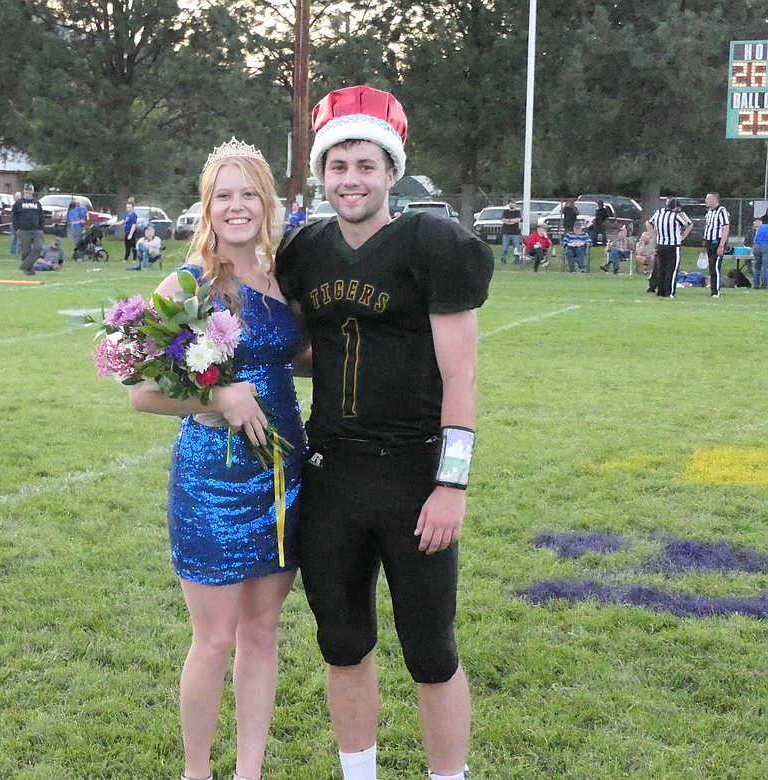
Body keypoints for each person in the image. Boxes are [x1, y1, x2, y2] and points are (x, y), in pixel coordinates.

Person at [277, 85, 492, 780]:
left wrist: (451, 484)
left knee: (431, 650)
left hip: (411, 473)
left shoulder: (431, 243)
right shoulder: (305, 249)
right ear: (321, 173)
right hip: (332, 470)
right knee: (342, 643)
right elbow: (310, 352)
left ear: (393, 171)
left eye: (365, 165)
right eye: (337, 166)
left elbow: (461, 376)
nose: (351, 180)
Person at [129, 137, 304, 780]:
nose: (237, 206)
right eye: (223, 195)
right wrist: (219, 395)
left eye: (248, 193)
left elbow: (294, 357)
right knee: (215, 639)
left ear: (266, 200)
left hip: (283, 470)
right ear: (208, 205)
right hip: (213, 476)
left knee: (262, 632)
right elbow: (141, 391)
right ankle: (196, 772)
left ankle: (249, 771)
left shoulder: (280, 275)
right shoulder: (189, 281)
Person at [646, 197, 693, 298]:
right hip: (673, 245)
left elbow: (649, 223)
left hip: (661, 244)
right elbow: (687, 224)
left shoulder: (659, 213)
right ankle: (669, 292)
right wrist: (683, 236)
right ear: (676, 207)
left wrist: (653, 235)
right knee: (671, 270)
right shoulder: (675, 216)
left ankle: (660, 291)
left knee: (661, 269)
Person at [701, 193, 730, 298]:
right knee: (711, 267)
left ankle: (715, 292)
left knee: (715, 266)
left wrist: (721, 245)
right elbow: (707, 228)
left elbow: (726, 228)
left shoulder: (722, 211)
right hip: (709, 242)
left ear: (714, 199)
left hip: (717, 242)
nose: (706, 200)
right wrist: (704, 244)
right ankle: (713, 290)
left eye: (708, 198)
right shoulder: (709, 212)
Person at [13, 182, 45, 276]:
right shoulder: (18, 203)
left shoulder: (36, 203)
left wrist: (41, 228)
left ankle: (24, 265)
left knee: (38, 248)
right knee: (25, 251)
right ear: (24, 190)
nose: (28, 191)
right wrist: (17, 229)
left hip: (36, 230)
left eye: (29, 190)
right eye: (26, 190)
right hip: (23, 231)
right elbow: (14, 217)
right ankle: (28, 270)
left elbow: (41, 216)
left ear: (32, 191)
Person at [499, 200, 523, 265]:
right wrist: (511, 221)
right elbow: (504, 220)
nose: (511, 204)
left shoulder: (517, 212)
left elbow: (518, 220)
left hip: (515, 233)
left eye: (512, 203)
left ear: (515, 205)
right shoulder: (505, 212)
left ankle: (517, 261)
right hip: (506, 233)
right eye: (510, 203)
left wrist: (509, 220)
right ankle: (503, 261)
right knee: (504, 248)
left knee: (516, 248)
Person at [752, 215, 768, 290]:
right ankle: (763, 285)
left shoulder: (760, 228)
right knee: (765, 266)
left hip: (757, 245)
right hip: (766, 245)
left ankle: (755, 285)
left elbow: (755, 238)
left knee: (757, 266)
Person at [122, 199, 139, 266]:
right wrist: (113, 223)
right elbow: (123, 221)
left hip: (131, 232)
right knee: (127, 246)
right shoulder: (127, 215)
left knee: (133, 246)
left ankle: (134, 259)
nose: (128, 209)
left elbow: (134, 225)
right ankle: (126, 258)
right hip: (126, 232)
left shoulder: (134, 215)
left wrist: (131, 234)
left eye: (129, 207)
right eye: (127, 207)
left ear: (132, 208)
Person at [10, 190, 22, 256]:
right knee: (13, 238)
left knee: (19, 239)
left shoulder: (20, 205)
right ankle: (13, 252)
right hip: (14, 224)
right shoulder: (15, 205)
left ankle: (18, 252)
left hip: (20, 224)